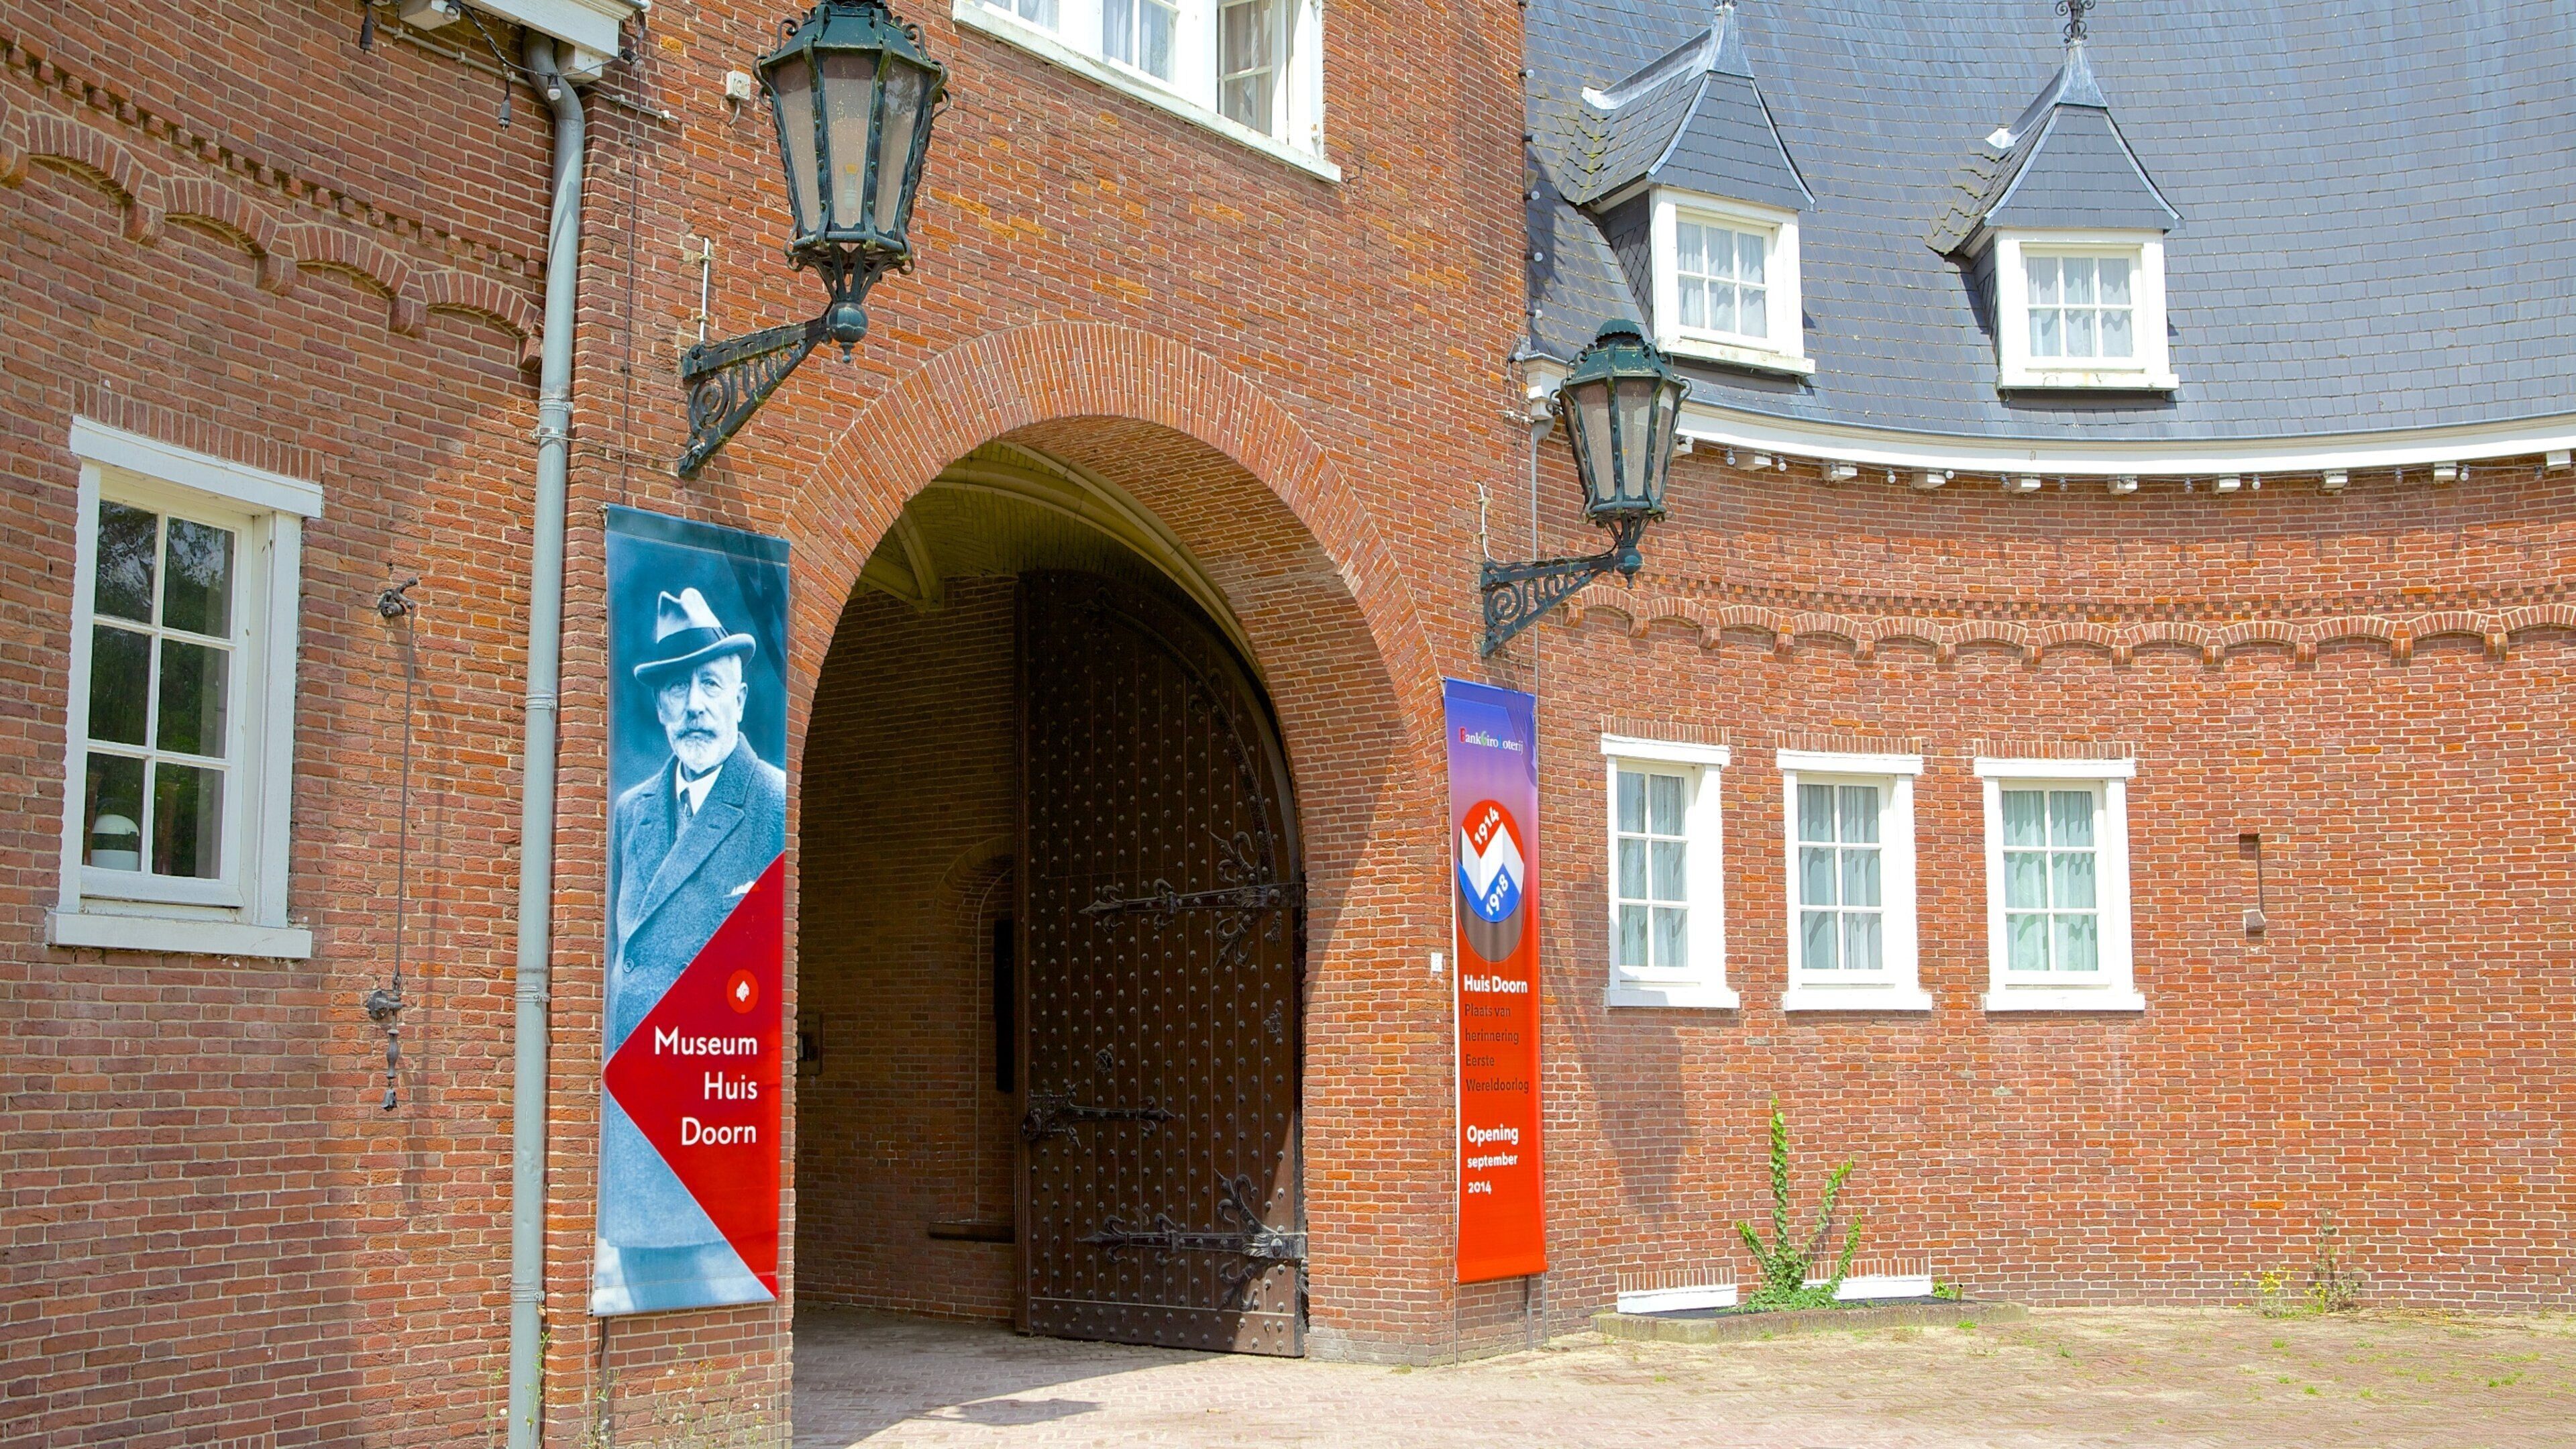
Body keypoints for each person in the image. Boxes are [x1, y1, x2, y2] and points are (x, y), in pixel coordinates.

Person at [595, 585, 787, 1313]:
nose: (696, 704)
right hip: (643, 1113)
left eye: (711, 683)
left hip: (715, 1115)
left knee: (712, 1303)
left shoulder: (769, 802)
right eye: (679, 687)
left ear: (740, 698)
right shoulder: (633, 810)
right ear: (659, 708)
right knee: (643, 1291)